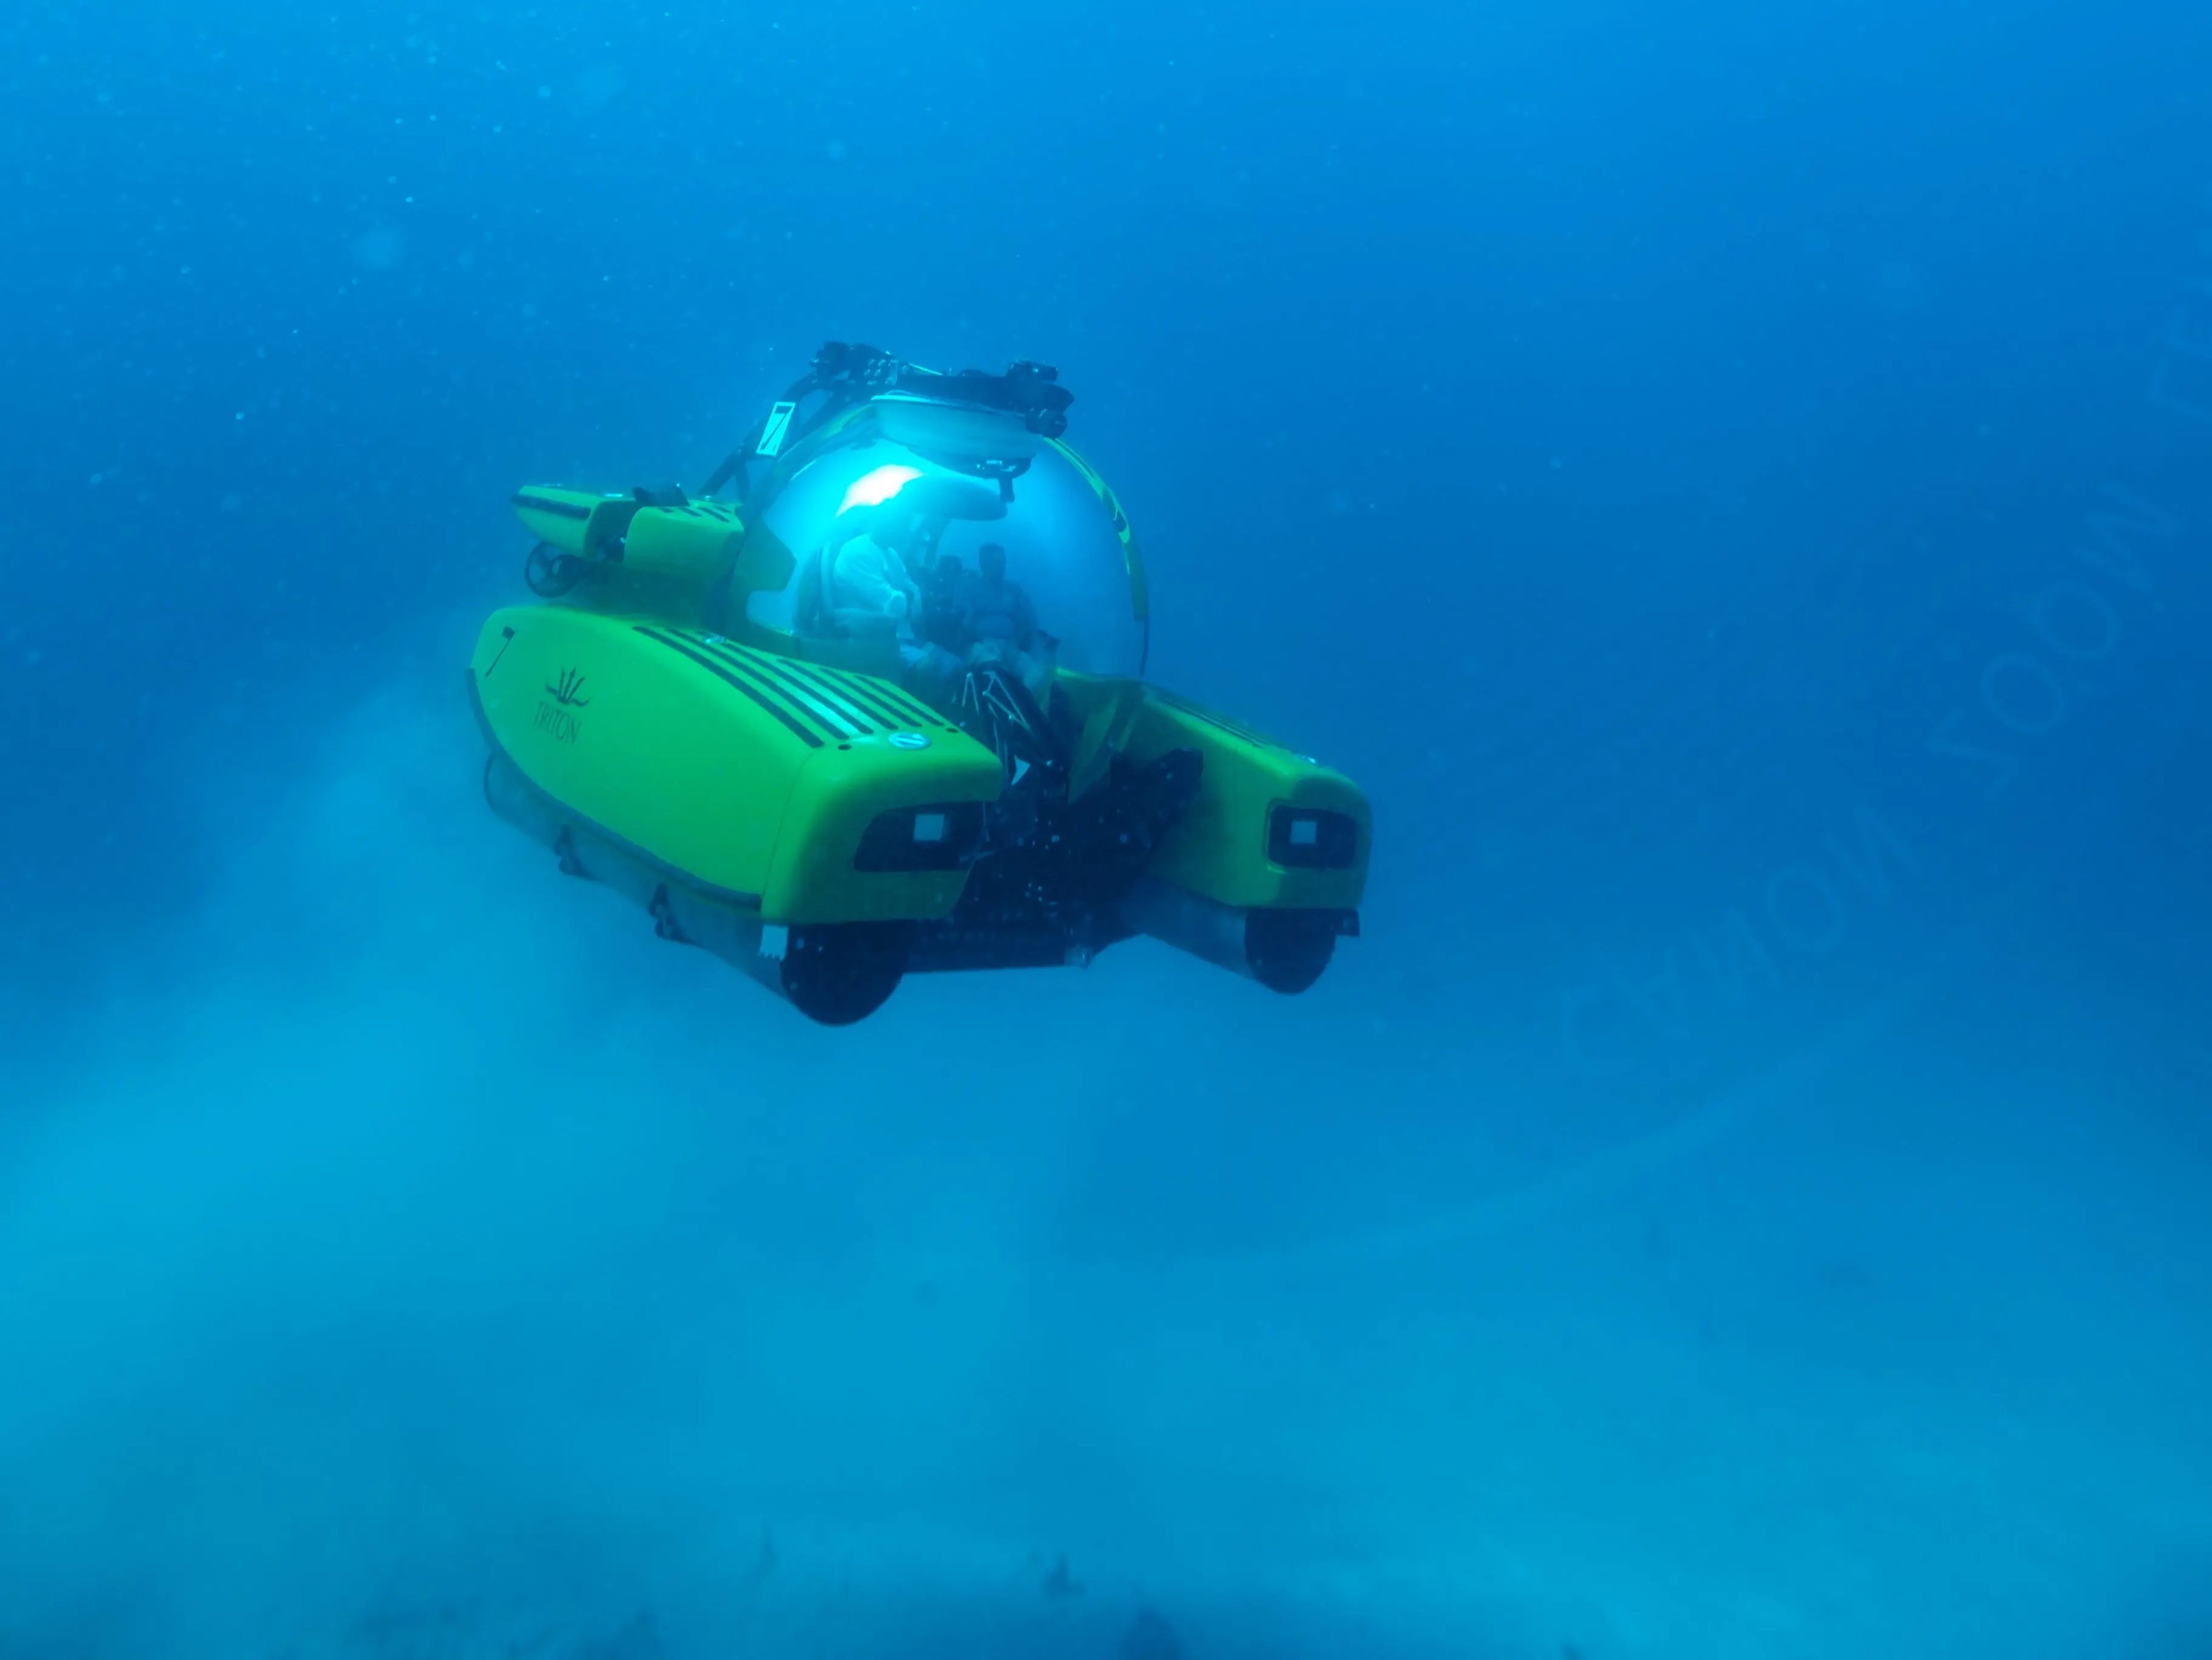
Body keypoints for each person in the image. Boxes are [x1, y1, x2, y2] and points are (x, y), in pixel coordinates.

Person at [821, 500, 922, 633]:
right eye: (903, 525)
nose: (907, 532)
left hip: (893, 636)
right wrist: (911, 600)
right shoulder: (857, 552)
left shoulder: (891, 554)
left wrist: (913, 599)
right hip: (864, 641)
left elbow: (913, 592)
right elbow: (893, 605)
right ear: (886, 523)